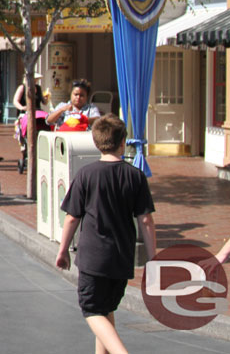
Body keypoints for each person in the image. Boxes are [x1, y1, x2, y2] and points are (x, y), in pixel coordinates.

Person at [56, 114, 156, 354]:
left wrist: (63, 250)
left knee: (92, 310)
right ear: (123, 142)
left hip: (93, 258)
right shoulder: (135, 176)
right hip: (121, 259)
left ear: (95, 142)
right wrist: (153, 258)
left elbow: (72, 217)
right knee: (106, 310)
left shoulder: (86, 174)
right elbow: (146, 220)